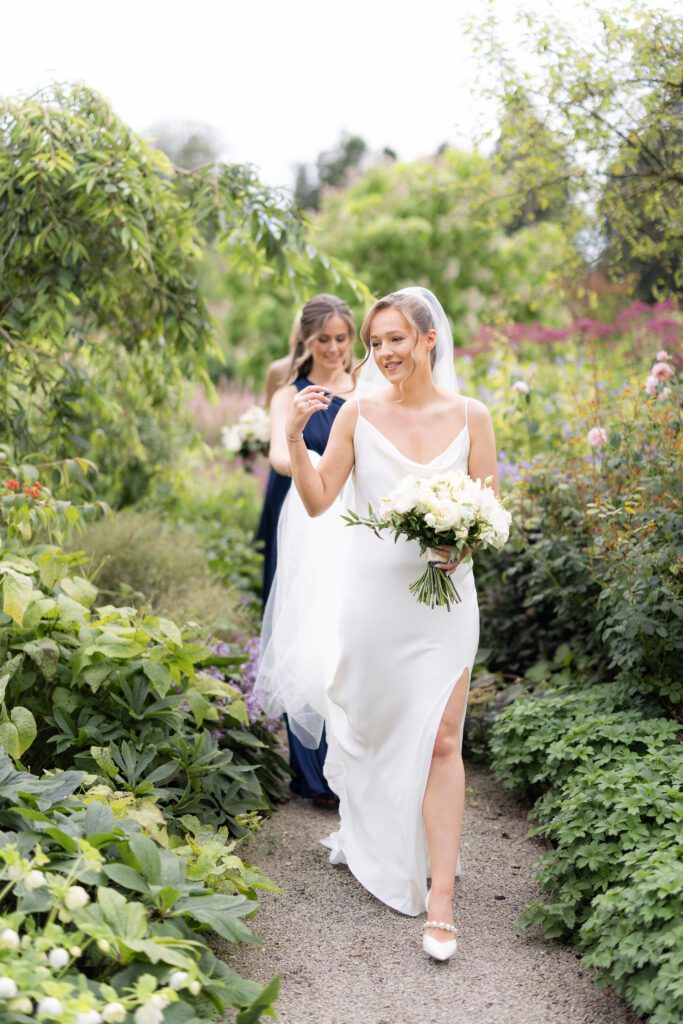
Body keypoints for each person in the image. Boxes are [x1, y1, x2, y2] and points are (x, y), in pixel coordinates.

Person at [256, 287, 499, 962]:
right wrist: (297, 438)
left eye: (395, 338)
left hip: (446, 604)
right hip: (372, 603)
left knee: (443, 739)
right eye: (374, 342)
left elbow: (489, 509)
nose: (383, 352)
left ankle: (441, 901)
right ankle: (376, 837)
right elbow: (317, 502)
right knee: (374, 728)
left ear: (428, 338)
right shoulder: (356, 413)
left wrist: (461, 543)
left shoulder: (472, 416)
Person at [255, 293, 357, 809]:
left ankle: (355, 756)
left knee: (351, 629)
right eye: (324, 340)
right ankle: (313, 771)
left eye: (342, 339)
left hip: (357, 521)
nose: (334, 349)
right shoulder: (289, 393)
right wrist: (316, 463)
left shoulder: (366, 388)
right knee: (306, 628)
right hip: (308, 518)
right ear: (307, 340)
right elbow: (278, 455)